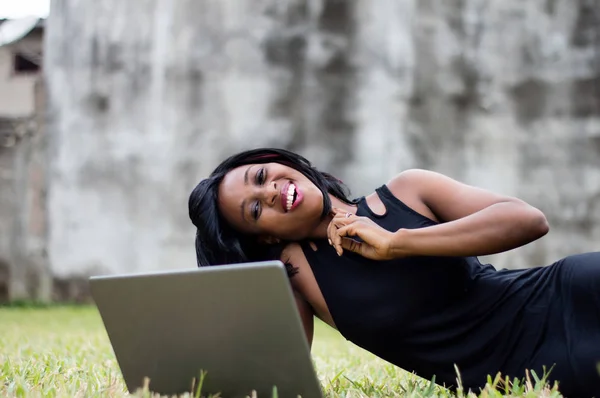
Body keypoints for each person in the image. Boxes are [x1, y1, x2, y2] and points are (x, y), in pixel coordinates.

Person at [188, 148, 600, 397]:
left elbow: (526, 220)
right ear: (261, 239)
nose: (270, 190)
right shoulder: (294, 273)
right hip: (536, 369)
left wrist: (397, 242)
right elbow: (277, 380)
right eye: (255, 209)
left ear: (275, 161)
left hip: (567, 292)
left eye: (260, 176)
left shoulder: (409, 190)